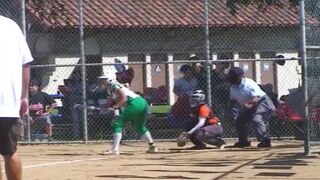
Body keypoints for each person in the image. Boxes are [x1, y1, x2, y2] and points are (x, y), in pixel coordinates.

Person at [0, 15, 33, 180]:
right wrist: (24, 96)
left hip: (7, 103)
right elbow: (25, 63)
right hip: (7, 104)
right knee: (10, 151)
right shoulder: (11, 26)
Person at [99, 73, 158, 155]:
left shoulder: (114, 85)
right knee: (139, 126)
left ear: (110, 79)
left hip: (134, 103)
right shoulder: (110, 89)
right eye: (102, 79)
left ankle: (115, 149)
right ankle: (152, 147)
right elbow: (110, 103)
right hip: (142, 103)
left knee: (117, 124)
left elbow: (124, 98)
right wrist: (105, 108)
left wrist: (115, 107)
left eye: (104, 79)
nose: (102, 81)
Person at [228, 67, 275, 148]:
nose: (231, 78)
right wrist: (232, 108)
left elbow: (256, 97)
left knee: (256, 118)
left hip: (262, 103)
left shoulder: (249, 83)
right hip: (249, 105)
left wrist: (248, 105)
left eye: (233, 76)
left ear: (240, 76)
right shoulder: (233, 87)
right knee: (240, 120)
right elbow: (233, 100)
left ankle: (265, 141)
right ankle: (243, 141)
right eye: (230, 76)